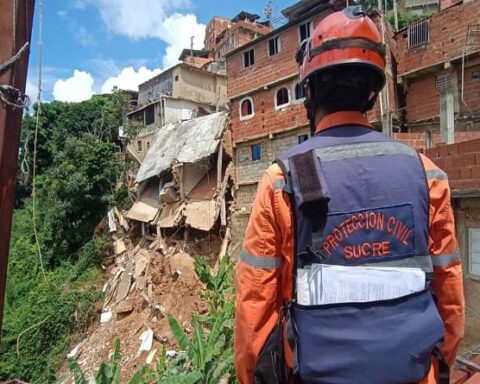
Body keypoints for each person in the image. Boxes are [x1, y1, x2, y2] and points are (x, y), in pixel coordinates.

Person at [234, 6, 464, 384]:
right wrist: (436, 368)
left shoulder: (282, 180)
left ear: (310, 90)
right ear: (373, 92)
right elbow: (449, 295)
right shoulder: (426, 174)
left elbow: (255, 313)